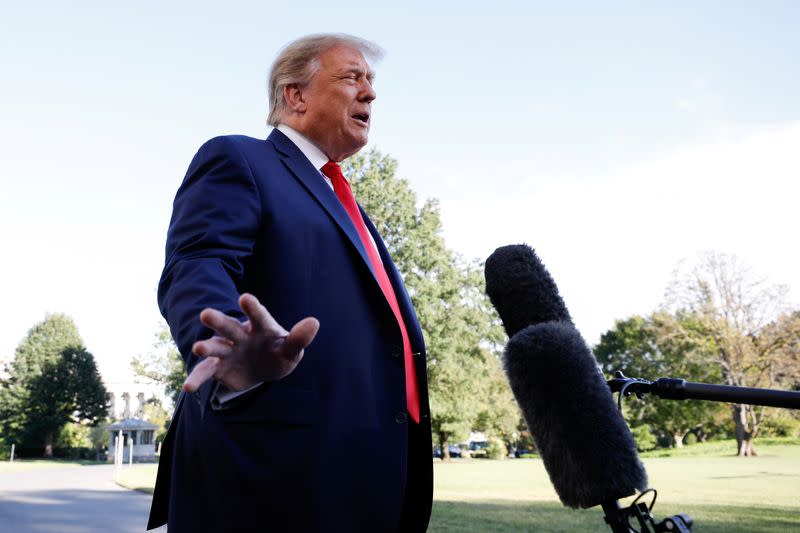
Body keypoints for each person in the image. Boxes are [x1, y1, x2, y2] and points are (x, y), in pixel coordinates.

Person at [147, 34, 433, 533]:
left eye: (371, 81)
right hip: (279, 478)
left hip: (370, 478)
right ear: (295, 95)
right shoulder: (240, 159)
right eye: (351, 77)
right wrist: (228, 342)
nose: (370, 93)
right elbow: (197, 262)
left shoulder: (349, 205)